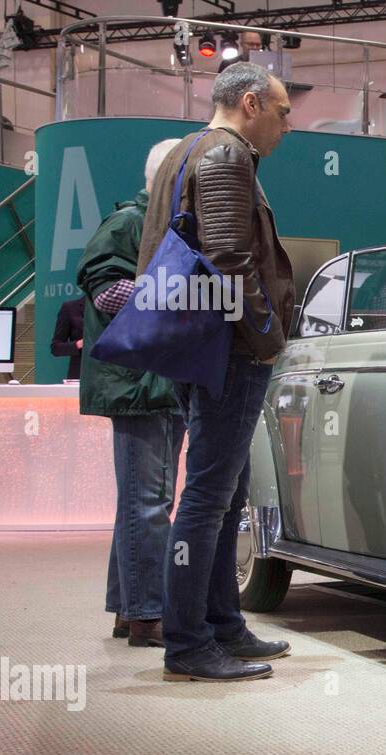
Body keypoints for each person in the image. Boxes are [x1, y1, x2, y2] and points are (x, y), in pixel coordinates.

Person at [138, 62, 295, 682]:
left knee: (223, 492)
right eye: (283, 112)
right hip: (229, 348)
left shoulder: (185, 150)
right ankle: (188, 642)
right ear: (251, 103)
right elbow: (231, 258)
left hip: (200, 343)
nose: (288, 125)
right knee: (208, 496)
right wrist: (266, 338)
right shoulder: (228, 155)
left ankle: (221, 624)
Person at [76, 138, 187, 647]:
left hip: (154, 380)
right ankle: (148, 614)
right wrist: (183, 297)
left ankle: (130, 608)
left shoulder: (157, 224)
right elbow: (105, 289)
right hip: (141, 382)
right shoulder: (129, 224)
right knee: (149, 502)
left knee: (140, 502)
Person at [50, 296, 84, 381]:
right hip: (81, 375)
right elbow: (56, 348)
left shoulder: (116, 306)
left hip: (112, 374)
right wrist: (78, 344)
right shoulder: (70, 308)